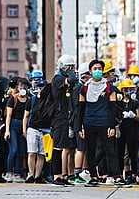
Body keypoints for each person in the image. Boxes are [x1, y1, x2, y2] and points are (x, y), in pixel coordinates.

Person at [78, 59, 129, 187]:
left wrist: (112, 126)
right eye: (94, 69)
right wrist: (80, 127)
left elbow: (112, 108)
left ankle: (117, 177)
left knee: (110, 150)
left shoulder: (108, 87)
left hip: (104, 123)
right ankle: (93, 177)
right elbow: (80, 108)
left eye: (99, 69)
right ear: (90, 71)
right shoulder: (84, 88)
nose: (97, 71)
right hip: (89, 122)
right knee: (90, 151)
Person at [50, 54, 78, 187]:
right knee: (57, 147)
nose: (73, 70)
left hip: (64, 117)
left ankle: (62, 175)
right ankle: (56, 176)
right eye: (70, 67)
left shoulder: (63, 79)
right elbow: (72, 79)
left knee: (63, 147)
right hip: (58, 117)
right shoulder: (58, 79)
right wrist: (70, 72)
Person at [23, 78, 49, 183]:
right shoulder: (32, 100)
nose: (41, 89)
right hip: (33, 128)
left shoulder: (49, 100)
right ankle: (31, 174)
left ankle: (38, 176)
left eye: (43, 87)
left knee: (42, 154)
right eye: (39, 87)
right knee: (31, 152)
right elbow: (26, 116)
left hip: (45, 130)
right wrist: (24, 130)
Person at [117, 78, 139, 185]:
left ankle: (133, 175)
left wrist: (133, 116)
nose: (129, 92)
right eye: (126, 89)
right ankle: (122, 174)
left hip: (133, 131)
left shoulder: (135, 103)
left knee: (132, 152)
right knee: (121, 152)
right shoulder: (119, 104)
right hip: (121, 130)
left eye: (131, 89)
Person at [4, 77, 29, 183]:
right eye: (20, 85)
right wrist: (7, 130)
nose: (22, 87)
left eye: (25, 86)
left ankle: (18, 173)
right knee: (13, 149)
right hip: (13, 124)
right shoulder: (13, 99)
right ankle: (9, 172)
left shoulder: (29, 99)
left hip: (24, 126)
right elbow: (8, 116)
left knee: (21, 151)